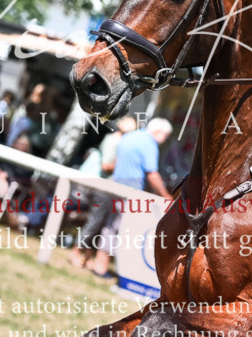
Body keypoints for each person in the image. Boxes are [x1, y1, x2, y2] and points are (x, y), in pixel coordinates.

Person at [89, 117, 173, 278]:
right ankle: (109, 268)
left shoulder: (129, 137)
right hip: (131, 192)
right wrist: (166, 195)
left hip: (116, 186)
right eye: (166, 135)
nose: (165, 139)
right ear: (158, 131)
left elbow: (116, 162)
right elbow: (152, 174)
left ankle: (100, 263)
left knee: (111, 226)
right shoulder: (149, 144)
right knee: (121, 229)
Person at [68, 115, 138, 271]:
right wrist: (124, 163)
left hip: (110, 187)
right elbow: (105, 165)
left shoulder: (122, 142)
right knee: (95, 222)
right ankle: (75, 252)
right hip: (102, 186)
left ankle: (87, 257)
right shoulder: (113, 140)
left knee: (100, 224)